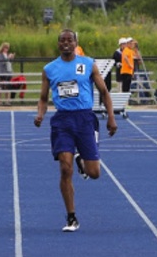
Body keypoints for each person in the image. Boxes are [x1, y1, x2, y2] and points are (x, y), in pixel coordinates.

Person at [34, 29, 117, 232]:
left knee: (94, 172)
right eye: (62, 41)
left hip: (85, 119)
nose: (66, 44)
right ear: (58, 44)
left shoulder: (88, 64)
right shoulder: (50, 69)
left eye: (69, 40)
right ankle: (71, 217)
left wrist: (111, 118)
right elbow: (44, 98)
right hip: (62, 121)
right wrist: (40, 114)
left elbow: (104, 91)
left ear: (75, 43)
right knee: (64, 168)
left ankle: (82, 160)